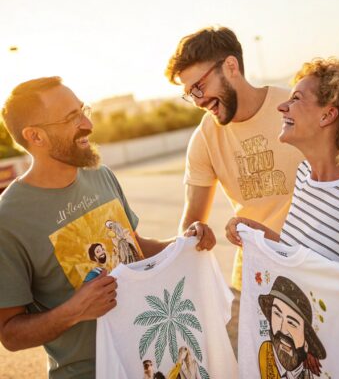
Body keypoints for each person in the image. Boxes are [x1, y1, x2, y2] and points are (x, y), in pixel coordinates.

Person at [0, 77, 202, 379]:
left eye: (83, 110)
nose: (88, 124)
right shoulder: (9, 218)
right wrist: (75, 310)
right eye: (71, 118)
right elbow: (10, 334)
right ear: (35, 136)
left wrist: (185, 243)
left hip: (153, 357)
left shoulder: (101, 175)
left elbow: (134, 247)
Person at [226, 58, 339, 377]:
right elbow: (305, 258)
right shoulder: (305, 176)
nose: (282, 107)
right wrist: (259, 234)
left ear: (327, 114)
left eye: (296, 98)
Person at [166, 26, 303, 289]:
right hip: (256, 279)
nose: (197, 101)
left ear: (231, 66)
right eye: (189, 93)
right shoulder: (204, 138)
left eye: (199, 86)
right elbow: (192, 220)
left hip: (312, 262)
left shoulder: (293, 107)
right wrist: (195, 232)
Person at [258, 276, 326, 379]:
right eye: (277, 314)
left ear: (306, 342)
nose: (282, 329)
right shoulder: (266, 352)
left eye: (292, 323)